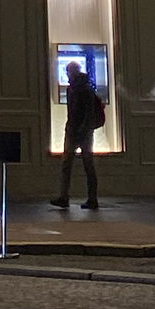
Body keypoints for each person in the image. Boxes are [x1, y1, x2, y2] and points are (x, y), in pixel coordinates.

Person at [51, 63, 103, 211]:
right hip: (78, 131)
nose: (67, 74)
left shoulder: (81, 90)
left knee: (79, 165)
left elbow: (85, 113)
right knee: (81, 165)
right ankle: (81, 197)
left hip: (80, 132)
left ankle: (72, 197)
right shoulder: (79, 89)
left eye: (69, 72)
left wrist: (78, 129)